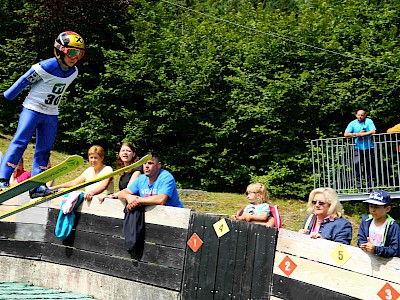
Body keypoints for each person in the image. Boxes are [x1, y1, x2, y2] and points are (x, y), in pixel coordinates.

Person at [0, 31, 85, 198]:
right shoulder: (44, 67)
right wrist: (6, 96)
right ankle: (2, 179)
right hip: (32, 109)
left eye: (80, 53)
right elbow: (23, 81)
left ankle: (37, 185)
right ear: (60, 50)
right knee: (20, 142)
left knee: (44, 150)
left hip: (51, 113)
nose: (76, 57)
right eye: (73, 52)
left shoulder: (73, 72)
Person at [118, 151, 184, 210]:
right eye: (144, 163)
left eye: (150, 163)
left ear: (159, 165)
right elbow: (122, 193)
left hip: (175, 216)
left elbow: (161, 199)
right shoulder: (141, 178)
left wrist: (137, 201)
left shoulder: (166, 177)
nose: (146, 166)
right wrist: (128, 197)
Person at [357, 190, 400, 257]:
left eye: (376, 207)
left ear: (387, 209)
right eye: (371, 206)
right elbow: (360, 239)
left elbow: (395, 250)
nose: (373, 210)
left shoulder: (393, 226)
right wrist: (364, 245)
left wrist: (376, 249)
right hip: (367, 260)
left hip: (386, 264)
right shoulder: (365, 221)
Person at [344, 110, 377, 189]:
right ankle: (359, 182)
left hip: (369, 147)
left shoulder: (369, 121)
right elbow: (345, 134)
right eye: (359, 115)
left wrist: (363, 134)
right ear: (356, 115)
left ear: (364, 116)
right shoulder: (353, 123)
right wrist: (356, 134)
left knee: (369, 166)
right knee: (356, 163)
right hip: (358, 148)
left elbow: (373, 131)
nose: (360, 117)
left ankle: (370, 185)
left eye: (362, 115)